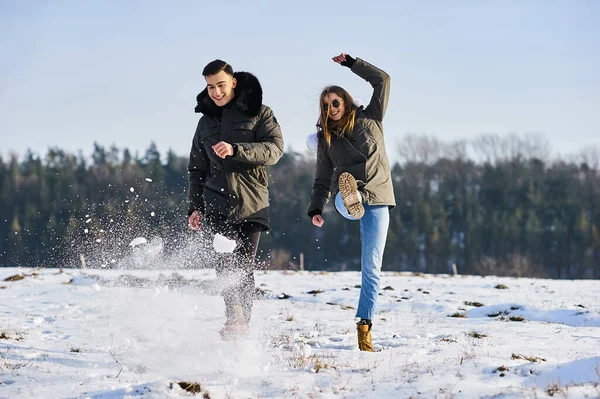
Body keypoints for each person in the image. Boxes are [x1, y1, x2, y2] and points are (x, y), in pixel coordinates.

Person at [188, 59, 284, 340]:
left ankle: (243, 323)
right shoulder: (205, 123)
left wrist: (237, 149)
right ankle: (234, 319)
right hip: (216, 204)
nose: (216, 92)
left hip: (252, 202)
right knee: (224, 264)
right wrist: (195, 207)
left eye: (220, 85)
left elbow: (274, 150)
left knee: (243, 266)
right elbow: (197, 169)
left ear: (233, 82)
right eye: (210, 87)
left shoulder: (261, 114)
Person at [307, 53, 395, 351]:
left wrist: (352, 64)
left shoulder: (372, 118)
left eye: (335, 102)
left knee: (371, 266)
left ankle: (364, 327)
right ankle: (349, 196)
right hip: (348, 196)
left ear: (345, 101)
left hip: (379, 197)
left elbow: (382, 80)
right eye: (326, 105)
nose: (331, 108)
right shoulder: (325, 139)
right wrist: (317, 207)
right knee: (347, 203)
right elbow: (321, 178)